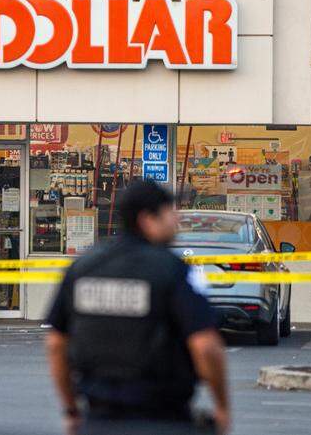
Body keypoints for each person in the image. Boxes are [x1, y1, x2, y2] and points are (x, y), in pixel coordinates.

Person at [45, 180, 230, 435]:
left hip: (99, 419)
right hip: (163, 419)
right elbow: (206, 346)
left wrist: (71, 410)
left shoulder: (83, 268)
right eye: (169, 212)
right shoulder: (171, 270)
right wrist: (222, 405)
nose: (175, 220)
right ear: (147, 219)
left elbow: (56, 345)